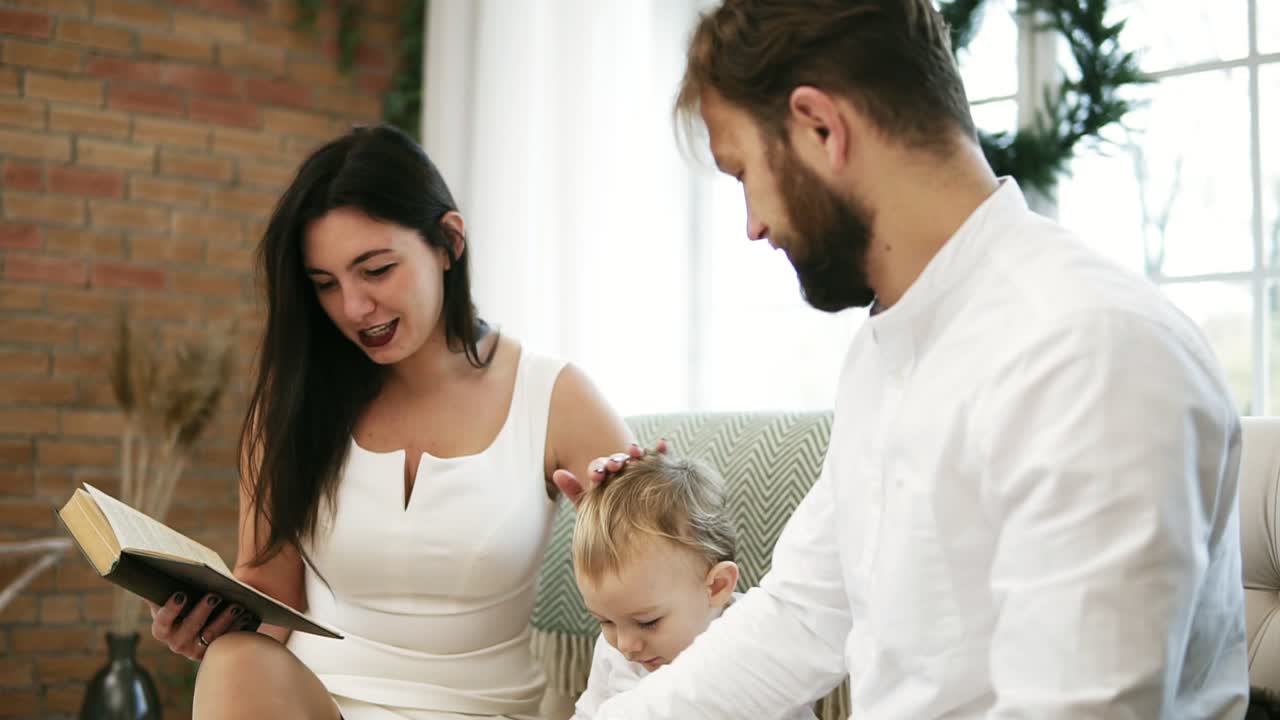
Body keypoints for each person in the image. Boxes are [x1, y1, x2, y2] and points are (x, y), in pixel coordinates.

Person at [557, 0, 1249, 717]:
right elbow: (799, 617)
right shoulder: (885, 353)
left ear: (821, 127)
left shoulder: (1086, 347)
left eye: (742, 174)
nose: (753, 225)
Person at [146, 124, 634, 720]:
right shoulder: (296, 399)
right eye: (325, 284)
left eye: (375, 270)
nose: (353, 307)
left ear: (449, 243)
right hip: (317, 703)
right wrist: (210, 626)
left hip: (476, 711)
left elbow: (665, 567)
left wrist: (652, 513)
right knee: (234, 663)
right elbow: (269, 586)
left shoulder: (553, 395)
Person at [568, 451, 814, 720]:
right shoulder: (616, 643)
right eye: (605, 622)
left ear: (717, 586)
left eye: (648, 622)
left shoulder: (758, 643)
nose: (625, 645)